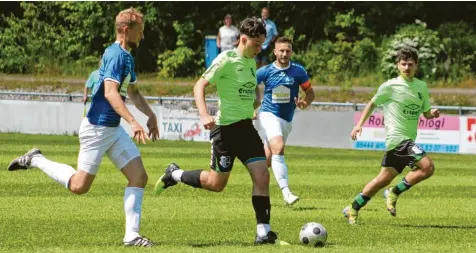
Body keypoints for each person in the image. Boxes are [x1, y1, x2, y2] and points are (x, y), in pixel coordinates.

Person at [7, 7, 159, 247]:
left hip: (112, 129)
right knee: (79, 186)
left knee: (139, 176)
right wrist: (133, 121)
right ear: (126, 29)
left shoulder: (126, 56)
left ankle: (132, 236)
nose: (143, 35)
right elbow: (110, 93)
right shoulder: (115, 55)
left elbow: (133, 91)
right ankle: (35, 159)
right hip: (97, 130)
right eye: (140, 30)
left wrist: (151, 116)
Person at [154, 17, 288, 245]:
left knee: (262, 175)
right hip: (225, 131)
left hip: (246, 128)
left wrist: (255, 104)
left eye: (262, 45)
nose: (259, 49)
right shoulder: (226, 59)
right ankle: (174, 174)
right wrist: (204, 114)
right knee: (216, 184)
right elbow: (200, 85)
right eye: (256, 44)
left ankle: (264, 232)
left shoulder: (250, 63)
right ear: (243, 40)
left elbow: (253, 92)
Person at [343, 46, 439, 225]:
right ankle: (394, 192)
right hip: (398, 139)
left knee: (380, 180)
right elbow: (372, 103)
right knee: (427, 167)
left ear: (416, 66)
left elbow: (425, 114)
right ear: (397, 65)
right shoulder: (390, 86)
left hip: (404, 142)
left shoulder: (421, 87)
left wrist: (432, 112)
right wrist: (358, 125)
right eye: (403, 64)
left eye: (410, 64)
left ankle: (353, 208)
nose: (406, 68)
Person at [257, 36, 315, 206]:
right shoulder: (265, 71)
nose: (284, 53)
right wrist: (254, 104)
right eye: (281, 50)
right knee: (279, 147)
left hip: (287, 120)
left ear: (291, 52)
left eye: (287, 50)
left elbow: (310, 93)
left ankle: (254, 175)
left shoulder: (298, 71)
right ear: (275, 52)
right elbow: (249, 85)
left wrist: (305, 102)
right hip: (268, 114)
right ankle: (286, 192)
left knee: (266, 161)